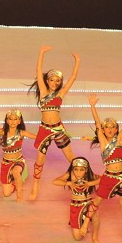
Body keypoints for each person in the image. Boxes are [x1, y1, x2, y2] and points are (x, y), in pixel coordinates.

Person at [27, 46, 80, 200]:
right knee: (40, 159)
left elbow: (73, 78)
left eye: (58, 81)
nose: (55, 83)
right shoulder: (43, 92)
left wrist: (77, 61)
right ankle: (35, 186)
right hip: (44, 129)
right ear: (47, 80)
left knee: (70, 155)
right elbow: (38, 71)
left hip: (58, 129)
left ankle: (81, 179)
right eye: (52, 80)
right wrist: (41, 52)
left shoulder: (61, 94)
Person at [87, 93, 122, 242]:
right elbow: (97, 123)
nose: (110, 129)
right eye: (107, 127)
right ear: (103, 130)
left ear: (116, 130)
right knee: (97, 201)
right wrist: (92, 106)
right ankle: (85, 223)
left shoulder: (120, 139)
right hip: (110, 176)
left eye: (113, 127)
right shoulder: (103, 142)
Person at [0, 110, 39, 201]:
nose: (13, 121)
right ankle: (14, 185)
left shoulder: (22, 133)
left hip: (18, 161)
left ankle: (19, 195)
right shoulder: (2, 132)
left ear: (19, 121)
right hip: (6, 163)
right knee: (6, 194)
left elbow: (37, 137)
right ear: (7, 120)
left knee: (16, 172)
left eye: (15, 119)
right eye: (10, 119)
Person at [52, 157, 99, 241]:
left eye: (81, 170)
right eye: (76, 169)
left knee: (94, 210)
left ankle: (94, 235)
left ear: (86, 170)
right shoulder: (70, 175)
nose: (78, 173)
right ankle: (84, 223)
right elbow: (55, 181)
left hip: (88, 204)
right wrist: (68, 183)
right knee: (77, 237)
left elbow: (104, 179)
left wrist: (90, 183)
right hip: (76, 205)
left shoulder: (90, 175)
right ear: (73, 169)